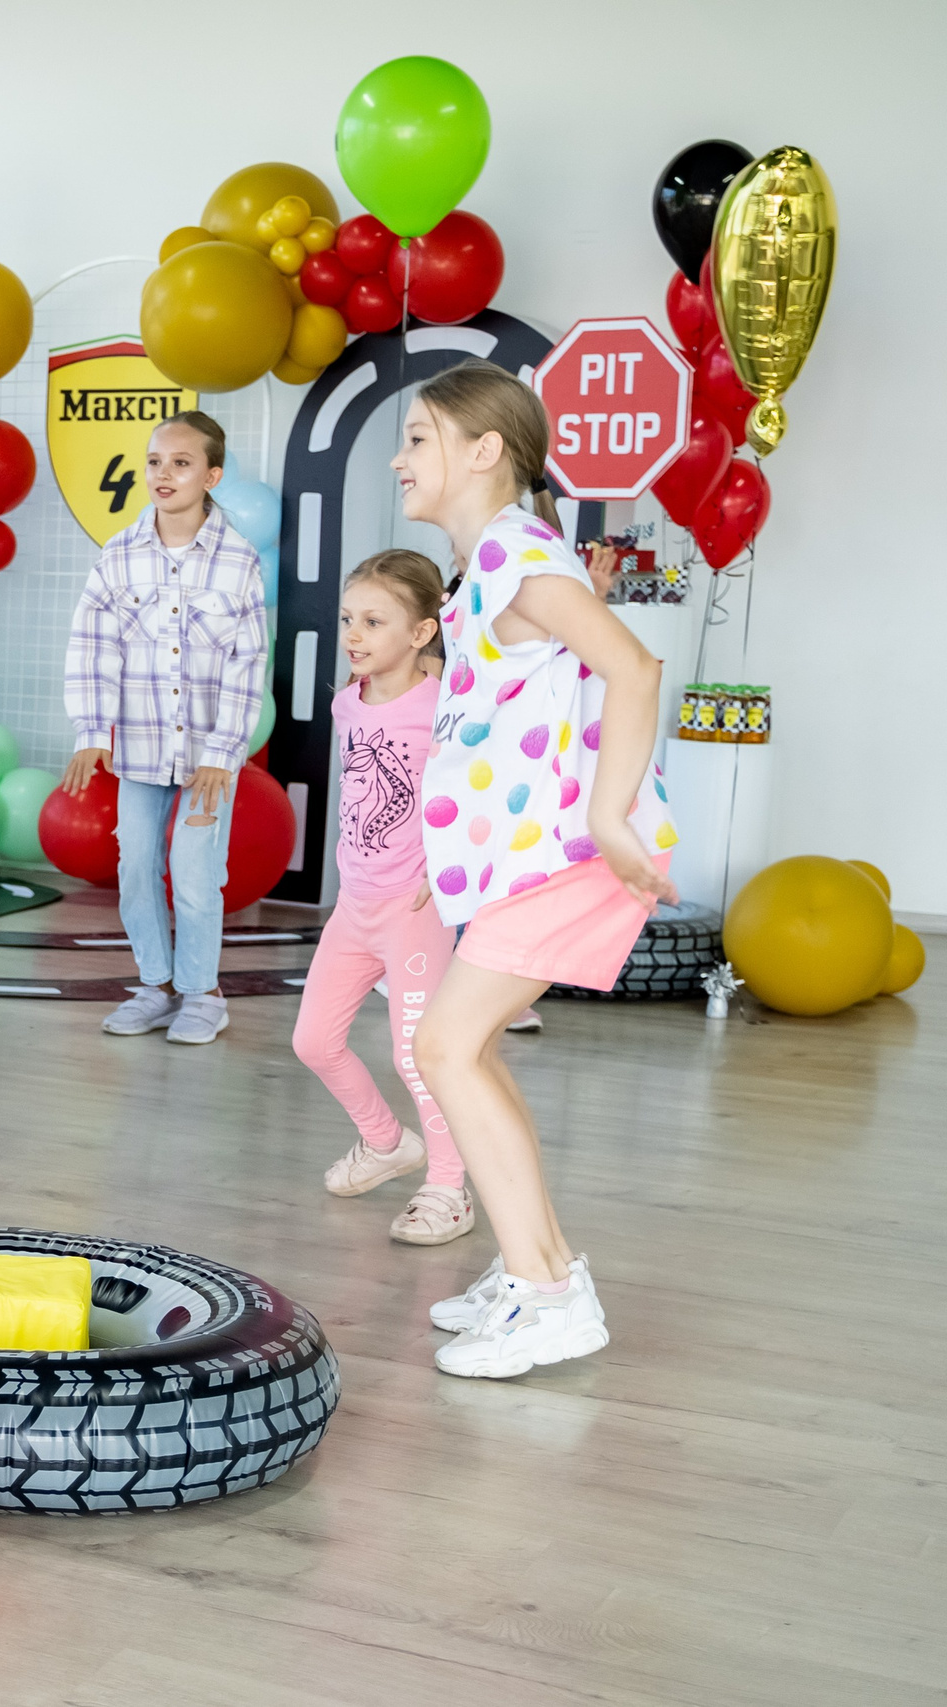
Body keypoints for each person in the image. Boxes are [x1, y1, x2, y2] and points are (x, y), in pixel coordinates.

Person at [398, 361, 677, 1378]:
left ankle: (549, 1297)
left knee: (444, 1049)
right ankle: (541, 1269)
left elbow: (633, 667)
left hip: (569, 863)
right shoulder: (492, 567)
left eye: (419, 437)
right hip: (530, 861)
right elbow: (493, 728)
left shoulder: (519, 556)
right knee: (465, 1052)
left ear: (482, 451)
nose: (400, 457)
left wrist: (609, 817)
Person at [60, 410, 268, 1046]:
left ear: (212, 475)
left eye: (180, 463)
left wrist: (224, 751)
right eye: (154, 462)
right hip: (141, 751)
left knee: (198, 873)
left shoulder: (238, 560)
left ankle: (203, 995)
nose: (164, 474)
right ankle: (154, 986)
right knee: (135, 866)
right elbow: (94, 644)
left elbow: (248, 661)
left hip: (210, 756)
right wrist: (91, 731)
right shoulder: (119, 555)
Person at [292, 551, 473, 1246]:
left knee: (417, 1054)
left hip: (412, 909)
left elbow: (469, 783)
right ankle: (385, 1141)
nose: (355, 634)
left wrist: (451, 860)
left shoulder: (445, 704)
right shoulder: (347, 700)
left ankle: (448, 1187)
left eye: (374, 620)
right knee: (313, 1039)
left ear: (423, 631)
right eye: (348, 619)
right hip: (354, 905)